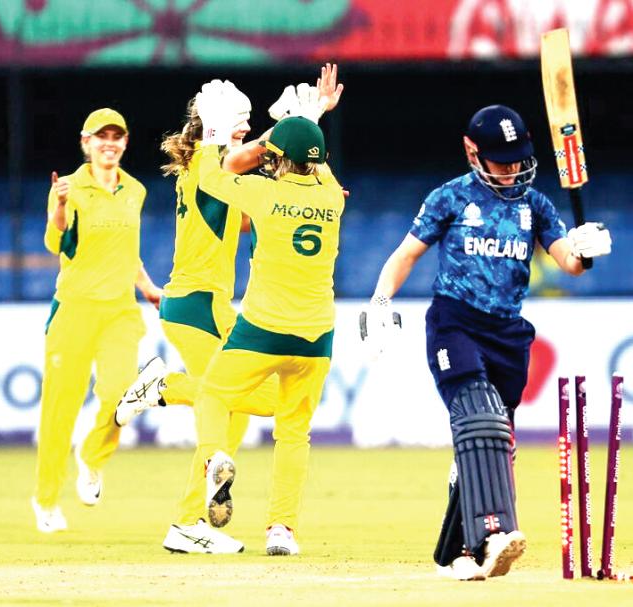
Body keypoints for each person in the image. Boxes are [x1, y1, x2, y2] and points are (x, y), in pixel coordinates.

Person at [361, 105, 611, 579]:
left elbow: (569, 263)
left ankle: (455, 555)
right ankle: (493, 537)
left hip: (508, 335)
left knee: (491, 443)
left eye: (518, 160)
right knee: (481, 422)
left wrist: (585, 249)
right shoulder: (451, 197)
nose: (512, 169)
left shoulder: (536, 205)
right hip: (455, 323)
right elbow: (406, 254)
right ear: (471, 151)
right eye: (501, 160)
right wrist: (379, 300)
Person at [115, 68, 343, 553]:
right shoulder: (218, 162)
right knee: (245, 409)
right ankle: (190, 517)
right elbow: (254, 158)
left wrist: (294, 127)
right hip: (198, 303)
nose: (247, 130)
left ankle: (169, 401)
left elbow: (247, 196)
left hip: (215, 306)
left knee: (241, 405)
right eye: (239, 121)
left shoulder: (235, 176)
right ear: (211, 124)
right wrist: (302, 122)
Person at [32, 108, 162, 533]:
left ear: (125, 142)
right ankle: (46, 500)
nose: (110, 143)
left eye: (116, 136)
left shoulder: (136, 190)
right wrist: (60, 206)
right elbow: (56, 243)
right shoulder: (68, 188)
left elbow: (128, 251)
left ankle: (91, 459)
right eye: (101, 136)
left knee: (120, 395)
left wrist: (148, 287)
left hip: (120, 312)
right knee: (60, 410)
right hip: (74, 310)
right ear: (85, 142)